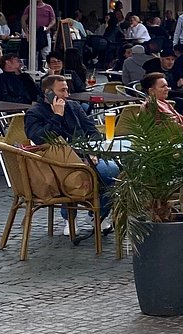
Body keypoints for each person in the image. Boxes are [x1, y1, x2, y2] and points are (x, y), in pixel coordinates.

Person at [25, 74, 117, 227]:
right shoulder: (35, 113)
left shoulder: (73, 106)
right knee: (105, 173)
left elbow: (92, 131)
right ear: (48, 92)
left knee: (113, 171)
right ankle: (69, 216)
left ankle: (96, 215)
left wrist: (93, 153)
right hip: (54, 164)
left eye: (67, 90)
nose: (67, 94)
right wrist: (57, 116)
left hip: (84, 157)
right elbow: (39, 139)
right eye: (62, 91)